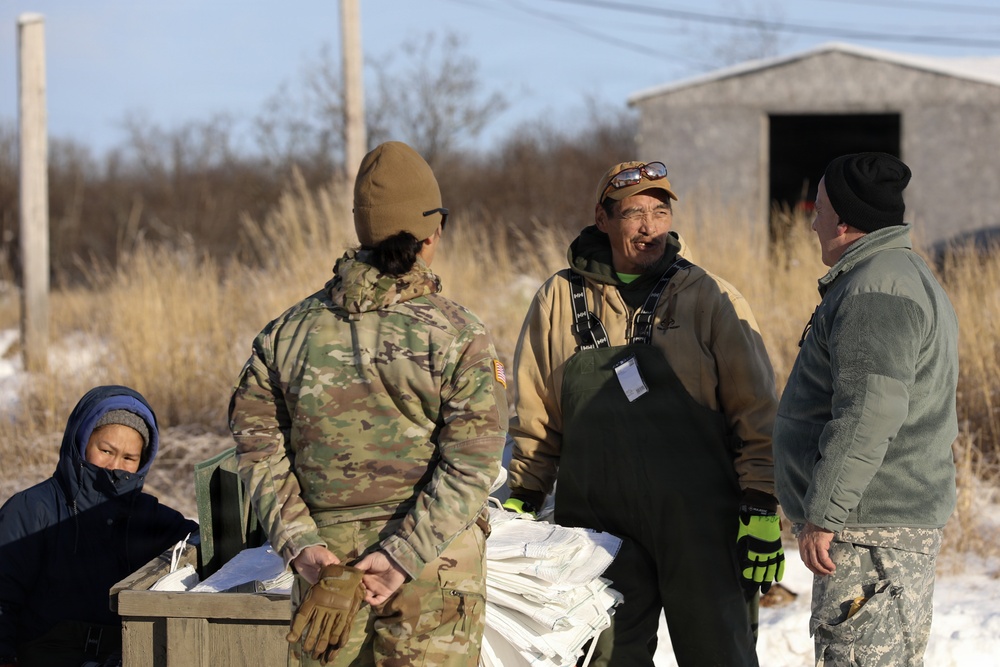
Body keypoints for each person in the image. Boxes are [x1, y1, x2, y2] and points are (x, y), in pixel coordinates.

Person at [229, 140, 508, 667]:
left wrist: (301, 546)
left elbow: (256, 449)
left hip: (328, 570)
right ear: (433, 233)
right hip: (435, 564)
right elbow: (474, 461)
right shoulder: (459, 333)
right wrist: (403, 555)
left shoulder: (284, 334)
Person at [505, 160, 782, 666]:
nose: (650, 226)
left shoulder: (708, 297)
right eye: (634, 213)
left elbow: (756, 410)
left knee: (721, 656)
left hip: (699, 524)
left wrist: (762, 502)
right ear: (603, 218)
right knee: (605, 659)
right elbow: (534, 414)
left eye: (660, 211)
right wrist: (523, 493)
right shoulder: (557, 300)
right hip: (595, 530)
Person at [773, 152, 959, 666]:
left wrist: (825, 515)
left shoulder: (877, 288)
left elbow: (868, 412)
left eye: (820, 208)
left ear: (845, 219)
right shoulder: (890, 274)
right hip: (870, 532)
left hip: (868, 533)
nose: (811, 220)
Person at [0, 385, 198, 667]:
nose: (115, 466)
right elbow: (3, 596)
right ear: (81, 441)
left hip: (125, 655)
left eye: (129, 458)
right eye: (106, 450)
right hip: (45, 655)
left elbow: (205, 541)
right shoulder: (32, 509)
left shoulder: (148, 516)